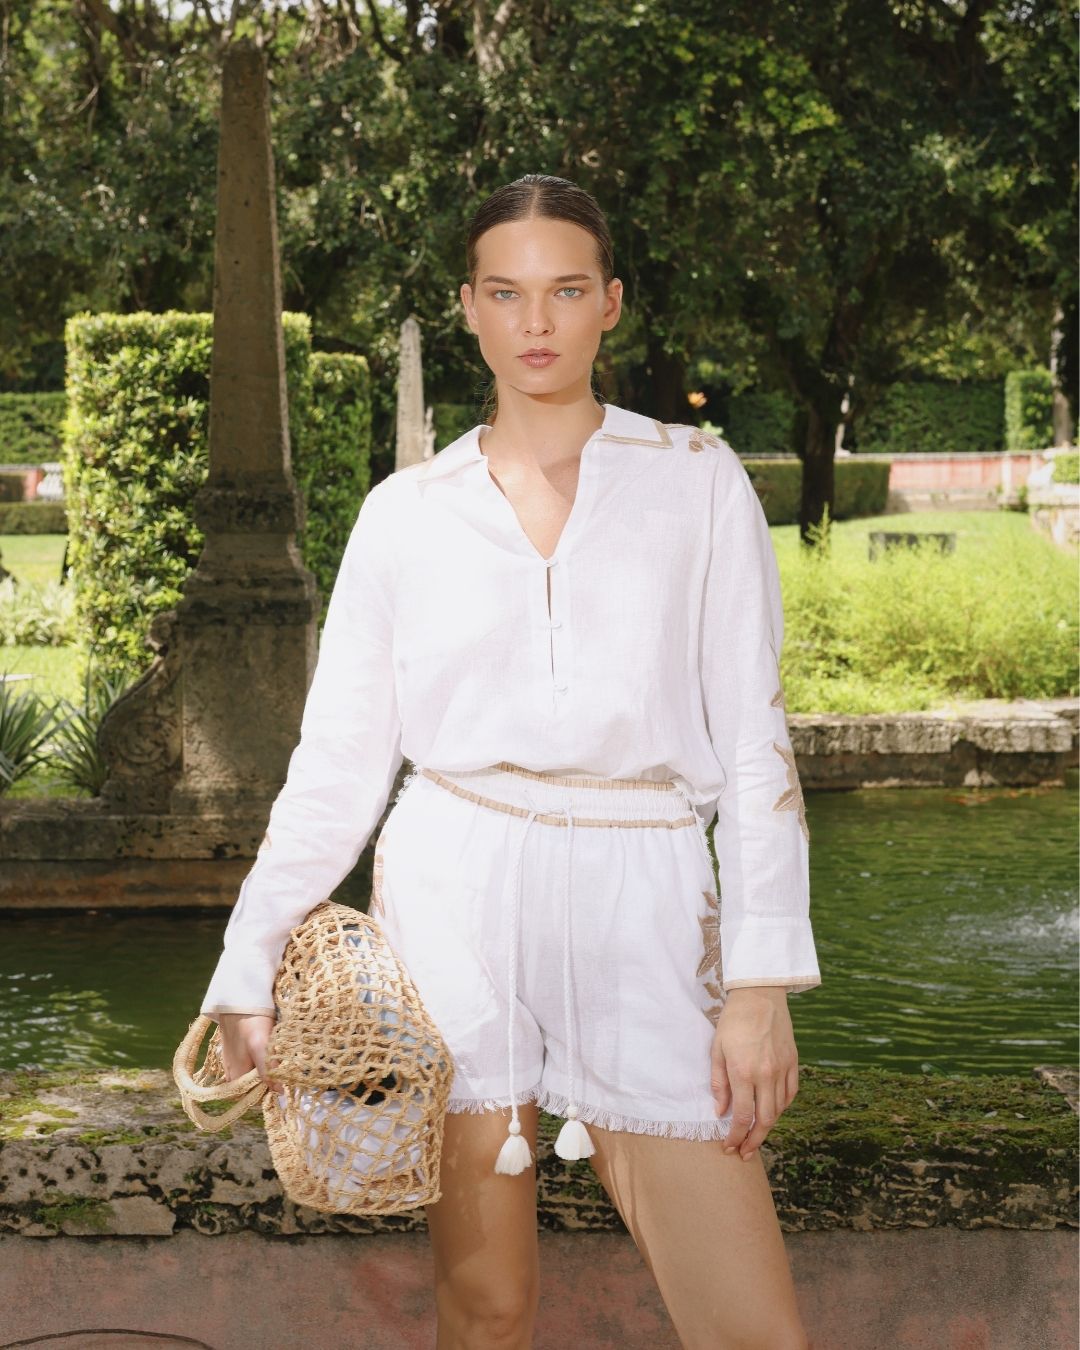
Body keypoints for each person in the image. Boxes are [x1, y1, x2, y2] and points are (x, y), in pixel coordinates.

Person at [203, 173, 821, 1349]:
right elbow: (337, 766)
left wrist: (759, 988)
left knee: (751, 1328)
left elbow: (755, 741)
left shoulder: (697, 479)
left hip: (645, 896)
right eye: (506, 292)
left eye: (566, 291)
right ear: (470, 307)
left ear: (611, 304)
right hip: (454, 896)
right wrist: (248, 958)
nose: (536, 322)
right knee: (486, 1309)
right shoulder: (404, 513)